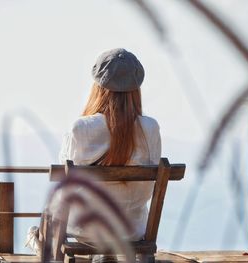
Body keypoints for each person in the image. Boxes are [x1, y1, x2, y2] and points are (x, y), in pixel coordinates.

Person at [25, 48, 161, 262]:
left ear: (98, 88)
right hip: (132, 230)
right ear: (136, 89)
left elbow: (65, 176)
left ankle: (41, 242)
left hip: (84, 230)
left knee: (46, 217)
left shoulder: (81, 128)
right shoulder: (150, 129)